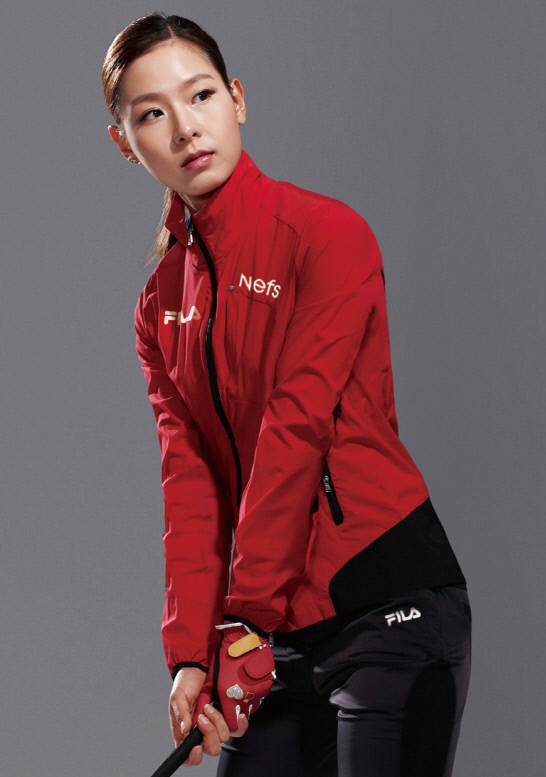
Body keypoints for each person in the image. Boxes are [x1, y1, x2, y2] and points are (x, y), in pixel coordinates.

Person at [102, 13, 471, 777]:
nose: (185, 127)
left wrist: (241, 620)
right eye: (152, 114)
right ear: (125, 143)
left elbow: (295, 427)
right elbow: (190, 482)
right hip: (273, 632)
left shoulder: (326, 235)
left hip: (383, 602)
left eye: (201, 95)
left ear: (237, 99)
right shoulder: (159, 305)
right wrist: (192, 652)